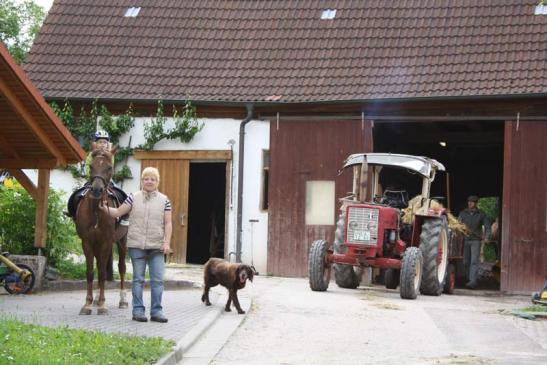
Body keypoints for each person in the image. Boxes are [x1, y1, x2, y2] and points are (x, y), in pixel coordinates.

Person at [100, 167, 172, 323]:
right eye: (146, 178)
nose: (149, 181)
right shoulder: (133, 197)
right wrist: (104, 208)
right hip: (136, 246)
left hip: (157, 246)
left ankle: (156, 311)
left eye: (153, 179)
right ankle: (138, 311)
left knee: (157, 280)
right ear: (142, 181)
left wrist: (166, 242)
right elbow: (118, 212)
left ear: (157, 181)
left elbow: (168, 223)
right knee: (138, 280)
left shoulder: (164, 200)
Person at [67, 130, 128, 224]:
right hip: (93, 180)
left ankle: (123, 216)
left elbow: (110, 168)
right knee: (77, 194)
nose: (102, 144)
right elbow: (88, 166)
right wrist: (91, 177)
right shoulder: (91, 155)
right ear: (96, 143)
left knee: (120, 194)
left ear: (107, 144)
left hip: (106, 181)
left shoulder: (110, 154)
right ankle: (73, 213)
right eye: (100, 142)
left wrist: (107, 179)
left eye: (104, 142)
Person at [458, 195, 491, 289]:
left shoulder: (481, 214)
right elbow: (457, 224)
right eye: (469, 202)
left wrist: (487, 236)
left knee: (474, 261)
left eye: (472, 202)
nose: (469, 203)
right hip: (465, 239)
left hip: (476, 241)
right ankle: (468, 279)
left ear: (476, 203)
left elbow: (487, 226)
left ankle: (472, 282)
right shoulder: (463, 213)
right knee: (465, 261)